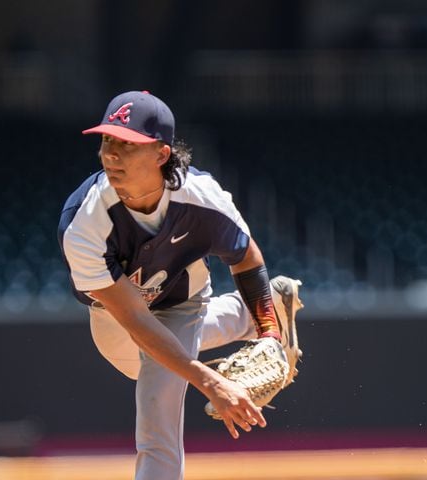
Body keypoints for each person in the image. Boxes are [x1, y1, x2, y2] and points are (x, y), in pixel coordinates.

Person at [58, 90, 303, 480]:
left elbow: (246, 256)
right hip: (118, 321)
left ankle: (265, 318)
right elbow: (137, 320)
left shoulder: (202, 197)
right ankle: (252, 312)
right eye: (107, 140)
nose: (111, 155)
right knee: (150, 360)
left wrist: (271, 335)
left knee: (158, 407)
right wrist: (212, 382)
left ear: (160, 153)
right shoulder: (84, 221)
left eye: (127, 143)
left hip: (182, 299)